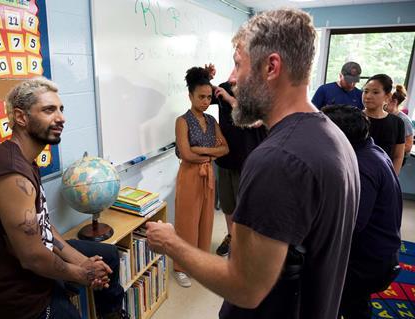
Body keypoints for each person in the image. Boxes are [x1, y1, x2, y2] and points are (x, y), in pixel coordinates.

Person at [146, 8, 360, 319]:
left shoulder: (277, 161)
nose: (231, 79)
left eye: (237, 65)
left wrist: (172, 243)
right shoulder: (332, 135)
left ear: (271, 67)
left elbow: (245, 287)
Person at [0, 77, 126, 319]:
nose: (61, 117)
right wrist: (84, 274)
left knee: (108, 256)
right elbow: (32, 258)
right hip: (11, 291)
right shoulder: (10, 174)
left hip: (30, 259)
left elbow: (43, 226)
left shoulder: (25, 160)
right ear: (21, 117)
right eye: (49, 110)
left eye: (61, 109)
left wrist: (83, 262)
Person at [322, 105, 402, 319]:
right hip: (381, 253)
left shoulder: (362, 166)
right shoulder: (371, 150)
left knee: (337, 301)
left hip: (370, 263)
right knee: (354, 304)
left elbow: (352, 224)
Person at [173, 66, 229, 287]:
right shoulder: (182, 121)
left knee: (206, 221)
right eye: (201, 97)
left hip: (208, 177)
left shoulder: (212, 120)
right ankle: (180, 267)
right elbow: (185, 154)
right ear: (190, 96)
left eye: (208, 97)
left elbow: (225, 149)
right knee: (187, 223)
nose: (206, 101)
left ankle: (199, 264)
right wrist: (207, 153)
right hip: (189, 176)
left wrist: (200, 151)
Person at [212, 71, 267, 256]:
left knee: (246, 206)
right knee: (228, 204)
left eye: (239, 65)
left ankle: (246, 244)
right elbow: (200, 93)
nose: (233, 76)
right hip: (226, 158)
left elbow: (255, 121)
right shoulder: (225, 87)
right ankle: (231, 237)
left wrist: (229, 99)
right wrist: (206, 76)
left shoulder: (260, 91)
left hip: (249, 161)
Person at [362, 74, 405, 175]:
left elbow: (398, 156)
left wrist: (392, 179)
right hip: (357, 176)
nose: (368, 96)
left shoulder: (397, 123)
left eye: (375, 92)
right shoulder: (353, 118)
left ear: (387, 96)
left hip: (384, 176)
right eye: (365, 91)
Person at [386, 84, 413, 165]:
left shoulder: (404, 120)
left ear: (394, 102)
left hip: (397, 157)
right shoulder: (385, 116)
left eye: (386, 100)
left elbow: (408, 146)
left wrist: (389, 150)